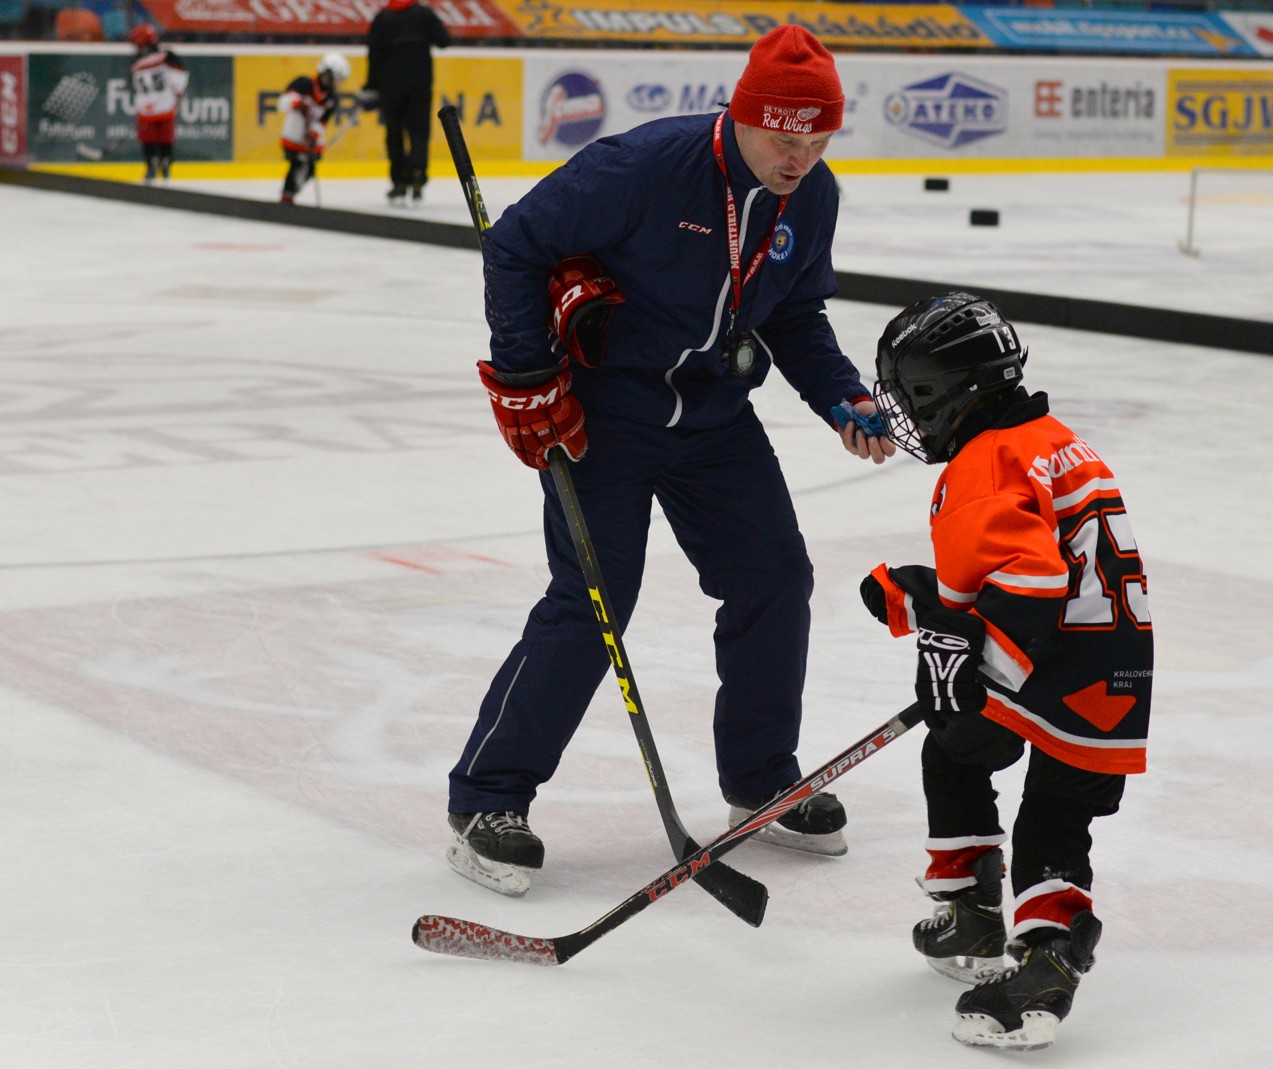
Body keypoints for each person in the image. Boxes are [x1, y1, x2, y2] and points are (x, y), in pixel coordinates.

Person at [445, 25, 894, 897]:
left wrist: (842, 394)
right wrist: (528, 372)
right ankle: (488, 796)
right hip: (607, 413)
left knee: (774, 577)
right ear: (742, 115)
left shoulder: (812, 197)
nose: (799, 160)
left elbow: (793, 313)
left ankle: (760, 779)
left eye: (817, 141)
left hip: (716, 416)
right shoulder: (646, 166)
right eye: (783, 140)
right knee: (595, 599)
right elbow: (516, 244)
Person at [860, 292, 1154, 1051]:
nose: (905, 412)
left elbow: (1028, 581)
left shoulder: (985, 462)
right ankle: (978, 916)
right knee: (1004, 777)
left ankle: (1044, 967)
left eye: (909, 394)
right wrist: (914, 598)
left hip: (1054, 669)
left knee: (1005, 784)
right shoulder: (1049, 441)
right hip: (1108, 667)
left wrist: (965, 666)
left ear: (941, 390)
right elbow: (1021, 562)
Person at [361, 0, 450, 206]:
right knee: (419, 133)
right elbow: (444, 41)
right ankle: (417, 173)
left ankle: (399, 181)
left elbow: (374, 55)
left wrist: (371, 85)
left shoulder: (382, 19)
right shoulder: (424, 14)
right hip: (419, 85)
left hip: (390, 88)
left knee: (394, 134)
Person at [276, 53, 348, 206]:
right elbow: (282, 103)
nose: (339, 83)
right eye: (338, 78)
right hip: (293, 136)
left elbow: (321, 123)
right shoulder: (304, 83)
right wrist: (297, 103)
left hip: (311, 143)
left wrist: (314, 134)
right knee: (298, 164)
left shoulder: (331, 99)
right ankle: (287, 195)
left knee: (310, 170)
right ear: (327, 75)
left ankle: (291, 193)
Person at [128, 23, 187, 184]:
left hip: (146, 108)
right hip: (165, 105)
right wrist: (177, 93)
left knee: (149, 140)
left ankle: (151, 166)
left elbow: (132, 86)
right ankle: (165, 163)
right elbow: (180, 76)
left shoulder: (135, 62)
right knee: (165, 139)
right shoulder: (167, 56)